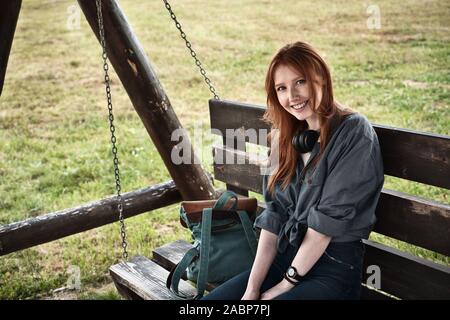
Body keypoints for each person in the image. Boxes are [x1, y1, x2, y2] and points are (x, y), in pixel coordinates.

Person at [201, 41, 384, 300]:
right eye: (282, 88)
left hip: (332, 269)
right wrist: (252, 288)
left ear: (321, 78)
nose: (292, 96)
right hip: (283, 257)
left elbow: (325, 225)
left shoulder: (354, 133)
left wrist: (284, 286)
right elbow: (275, 215)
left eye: (300, 82)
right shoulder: (284, 137)